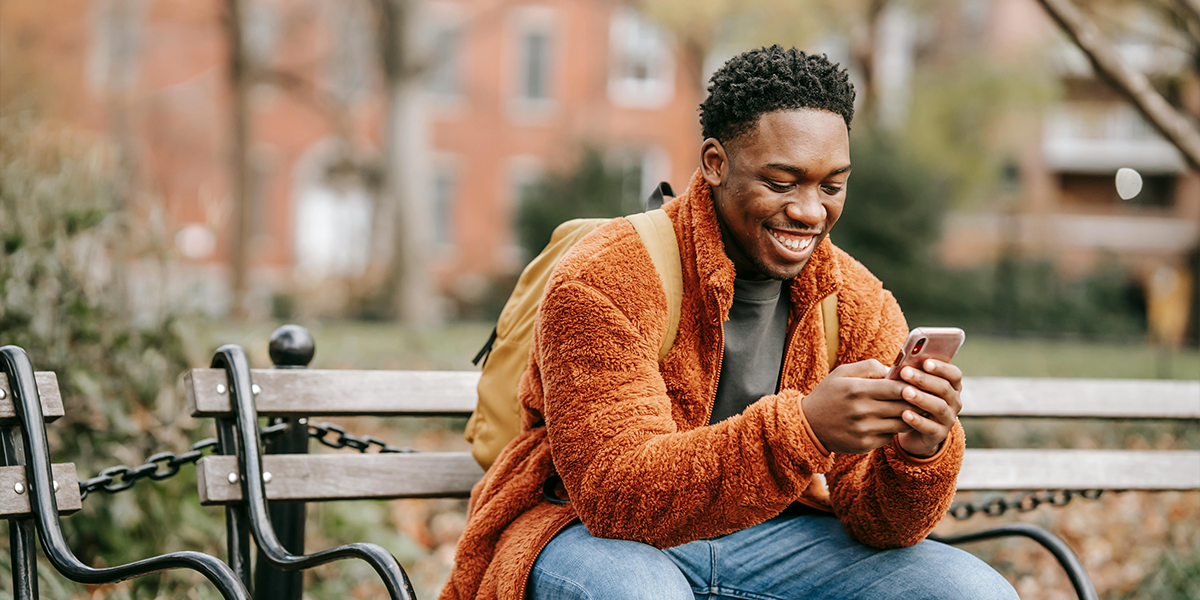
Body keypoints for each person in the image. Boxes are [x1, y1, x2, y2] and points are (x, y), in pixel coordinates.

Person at [440, 46, 1018, 600]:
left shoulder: (855, 299)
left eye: (832, 185)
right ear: (715, 163)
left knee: (973, 591)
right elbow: (614, 496)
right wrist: (806, 429)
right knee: (643, 592)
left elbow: (882, 524)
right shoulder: (608, 273)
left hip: (771, 539)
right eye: (780, 181)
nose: (811, 210)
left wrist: (919, 451)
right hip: (581, 532)